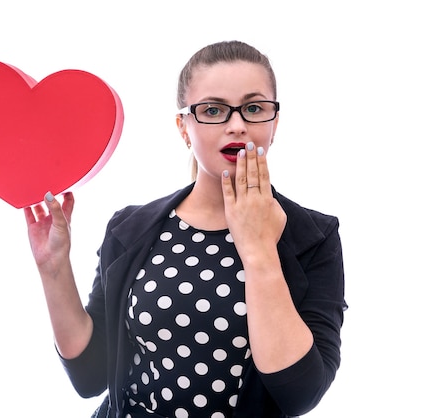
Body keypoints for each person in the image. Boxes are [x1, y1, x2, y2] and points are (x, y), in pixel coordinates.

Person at [24, 40, 347, 418]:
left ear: (274, 123)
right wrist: (53, 267)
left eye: (254, 108)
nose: (237, 125)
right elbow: (90, 377)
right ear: (183, 127)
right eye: (213, 110)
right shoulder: (129, 229)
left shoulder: (314, 237)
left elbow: (300, 395)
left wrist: (259, 251)